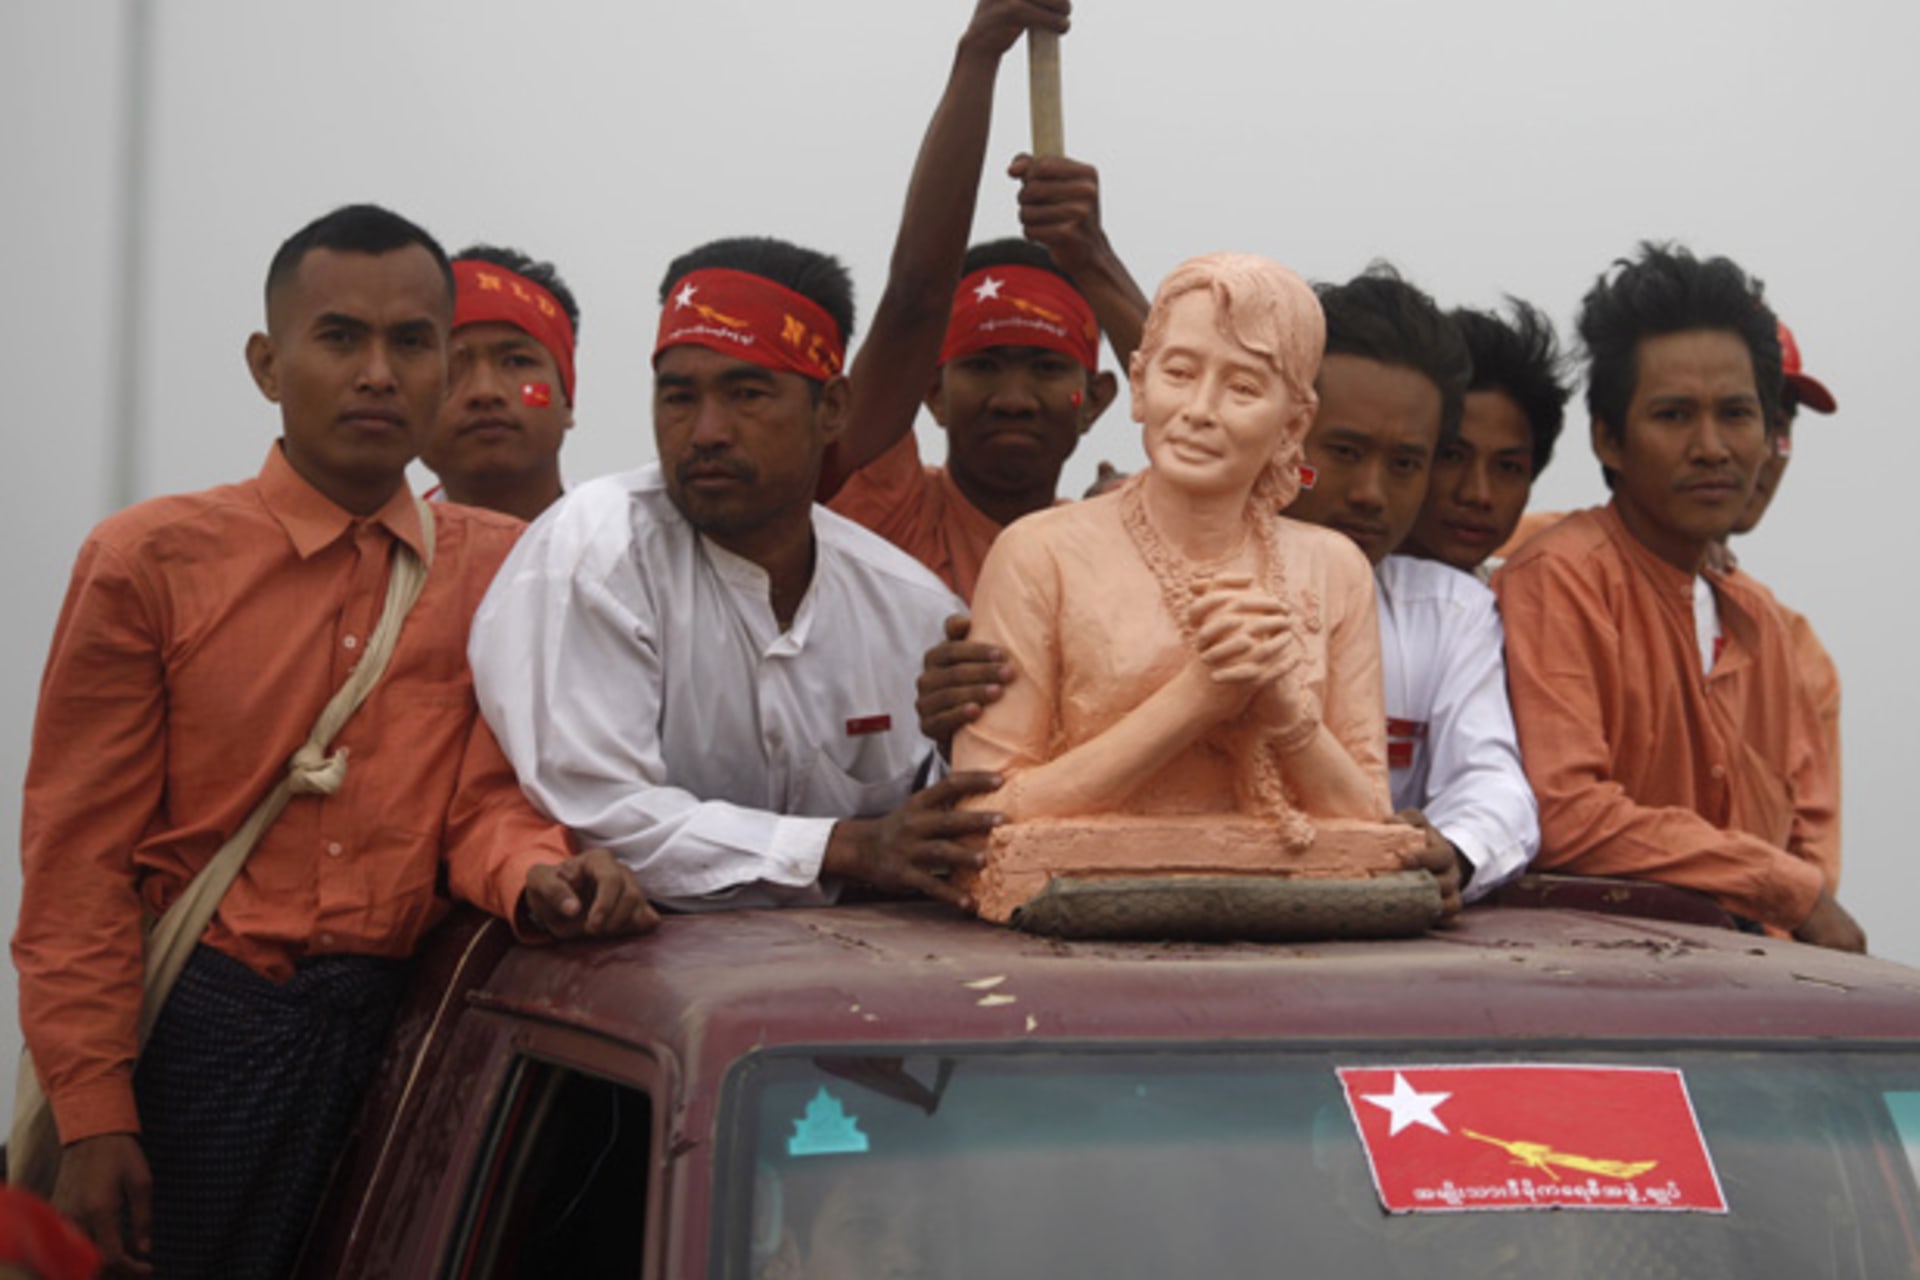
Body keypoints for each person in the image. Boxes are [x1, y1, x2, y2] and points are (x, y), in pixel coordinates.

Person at [13, 204, 655, 1279]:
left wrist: (542, 875)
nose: (377, 372)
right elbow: (78, 866)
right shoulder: (150, 561)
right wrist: (93, 1114)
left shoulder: (505, 566)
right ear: (269, 363)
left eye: (411, 343)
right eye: (339, 337)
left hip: (407, 1040)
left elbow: (484, 805)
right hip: (202, 1038)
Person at [469, 236, 1001, 912]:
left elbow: (965, 827)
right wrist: (847, 847)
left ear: (832, 408)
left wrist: (952, 746)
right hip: (627, 992)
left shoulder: (914, 608)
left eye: (746, 393)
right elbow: (599, 818)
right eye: (679, 397)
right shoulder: (594, 551)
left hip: (876, 990)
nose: (706, 431)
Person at [954, 253, 1406, 844]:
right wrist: (1198, 698)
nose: (1199, 411)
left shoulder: (1334, 568)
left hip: (1291, 907)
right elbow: (982, 815)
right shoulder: (1040, 554)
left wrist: (1285, 711)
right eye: (1179, 374)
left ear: (1293, 425)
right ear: (1140, 385)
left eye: (1243, 387)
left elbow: (1369, 821)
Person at [1496, 242, 1862, 950]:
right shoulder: (1559, 580)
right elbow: (1568, 815)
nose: (1712, 447)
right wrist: (1784, 886)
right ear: (1609, 438)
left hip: (1738, 1011)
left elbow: (1798, 846)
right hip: (1595, 1000)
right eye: (1672, 416)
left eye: (1736, 414)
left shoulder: (1762, 624)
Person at [820, 0, 1145, 601]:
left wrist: (1094, 259)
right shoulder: (880, 511)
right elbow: (916, 297)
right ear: (931, 392)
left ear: (1096, 399)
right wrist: (979, 54)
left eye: (1047, 368)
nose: (1014, 399)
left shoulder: (1127, 546)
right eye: (983, 365)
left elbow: (1219, 423)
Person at [1281, 268, 1537, 904]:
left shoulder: (1454, 613)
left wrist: (1451, 849)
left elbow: (1493, 784)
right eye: (1343, 451)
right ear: (1283, 433)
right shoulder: (1156, 577)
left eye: (1404, 464)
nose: (1371, 494)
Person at [1400, 300, 1569, 579]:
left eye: (1508, 467)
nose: (1478, 495)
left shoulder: (1527, 606)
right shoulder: (1322, 598)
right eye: (1452, 456)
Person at [419, 244, 580, 520]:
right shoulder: (367, 558)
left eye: (517, 361)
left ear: (565, 400)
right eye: (450, 369)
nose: (485, 391)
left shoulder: (634, 550)